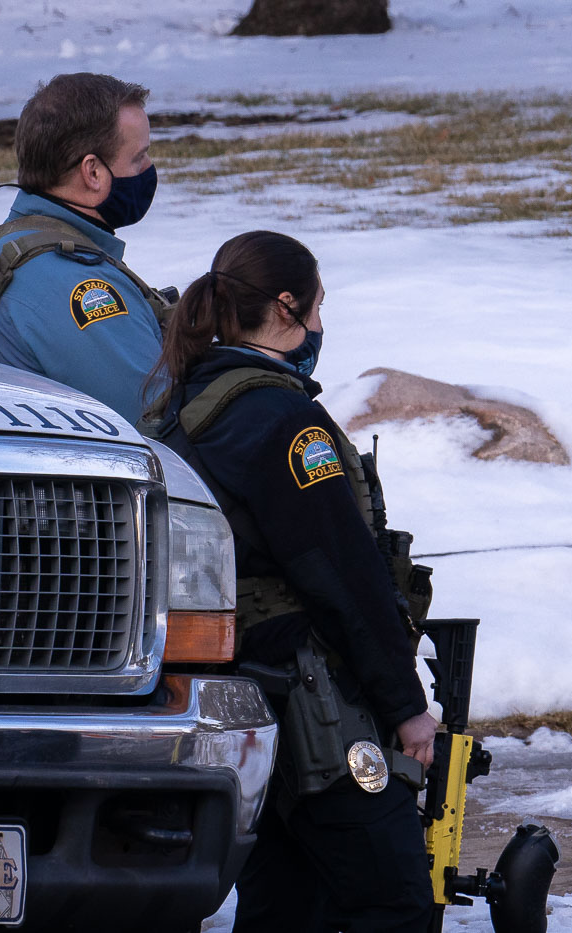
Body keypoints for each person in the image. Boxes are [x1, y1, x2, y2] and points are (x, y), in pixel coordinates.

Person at [146, 230, 438, 932]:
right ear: (287, 307)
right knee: (394, 898)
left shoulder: (183, 411)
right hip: (313, 704)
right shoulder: (285, 422)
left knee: (284, 905)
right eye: (317, 308)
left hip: (230, 705)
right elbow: (342, 572)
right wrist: (405, 703)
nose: (320, 326)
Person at [0, 72, 167, 422]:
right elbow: (157, 421)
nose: (149, 168)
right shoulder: (74, 285)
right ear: (93, 172)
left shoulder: (13, 248)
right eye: (139, 157)